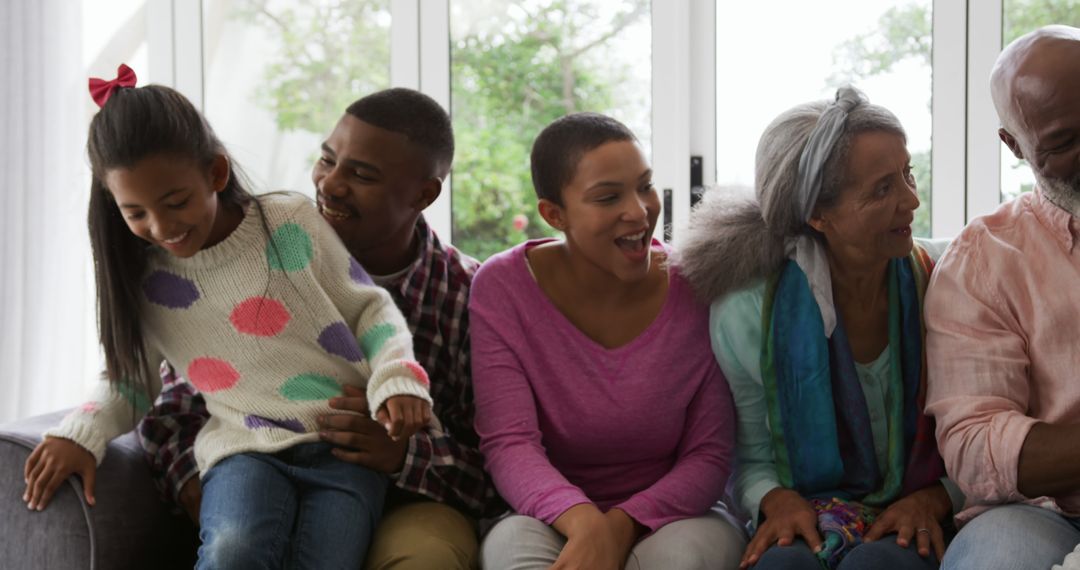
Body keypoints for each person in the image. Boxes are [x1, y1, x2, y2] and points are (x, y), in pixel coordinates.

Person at [20, 67, 433, 569]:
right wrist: (79, 434)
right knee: (232, 549)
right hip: (242, 448)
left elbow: (372, 309)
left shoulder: (290, 222)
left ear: (215, 174)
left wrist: (395, 378)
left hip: (343, 452)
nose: (162, 226)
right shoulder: (142, 279)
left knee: (328, 559)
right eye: (136, 213)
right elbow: (130, 383)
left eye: (176, 202)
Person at [137, 87, 500, 569]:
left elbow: (501, 465)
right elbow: (170, 411)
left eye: (361, 175)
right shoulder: (265, 248)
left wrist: (403, 454)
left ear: (423, 194)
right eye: (327, 160)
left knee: (423, 558)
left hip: (410, 502)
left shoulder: (470, 297)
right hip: (261, 473)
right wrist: (209, 499)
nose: (330, 184)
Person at [678, 86, 964, 570]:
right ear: (817, 215)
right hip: (811, 507)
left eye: (908, 174)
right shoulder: (749, 312)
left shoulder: (948, 279)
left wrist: (937, 498)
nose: (912, 199)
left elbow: (982, 427)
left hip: (925, 505)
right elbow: (751, 457)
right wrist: (774, 499)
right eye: (882, 188)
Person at [471, 112, 744, 570]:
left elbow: (710, 453)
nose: (639, 211)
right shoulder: (502, 286)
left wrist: (619, 526)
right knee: (510, 554)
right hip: (549, 515)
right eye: (608, 197)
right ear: (554, 214)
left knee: (684, 560)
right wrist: (583, 524)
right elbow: (509, 442)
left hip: (676, 517)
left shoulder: (698, 283)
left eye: (645, 186)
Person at [924, 25, 1080, 570]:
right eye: (1064, 142)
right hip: (1048, 512)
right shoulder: (983, 260)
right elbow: (975, 444)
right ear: (1014, 146)